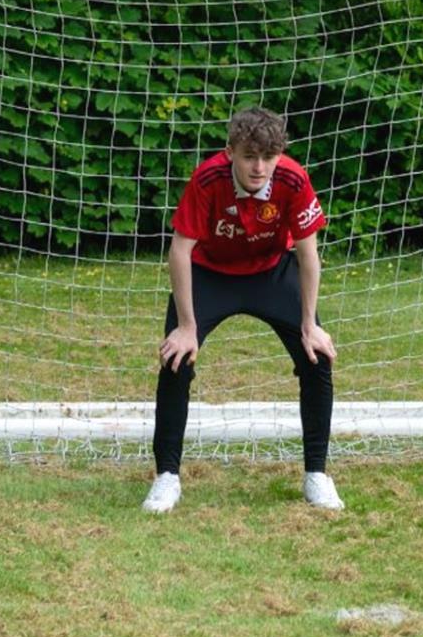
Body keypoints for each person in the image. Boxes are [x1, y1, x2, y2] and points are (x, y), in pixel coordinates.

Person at [142, 108, 344, 513]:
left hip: (271, 272)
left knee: (317, 356)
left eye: (268, 157)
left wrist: (309, 323)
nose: (259, 167)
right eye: (250, 156)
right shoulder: (207, 179)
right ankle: (166, 476)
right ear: (230, 151)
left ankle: (317, 474)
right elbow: (180, 251)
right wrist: (186, 326)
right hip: (210, 273)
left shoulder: (292, 178)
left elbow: (308, 255)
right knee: (177, 358)